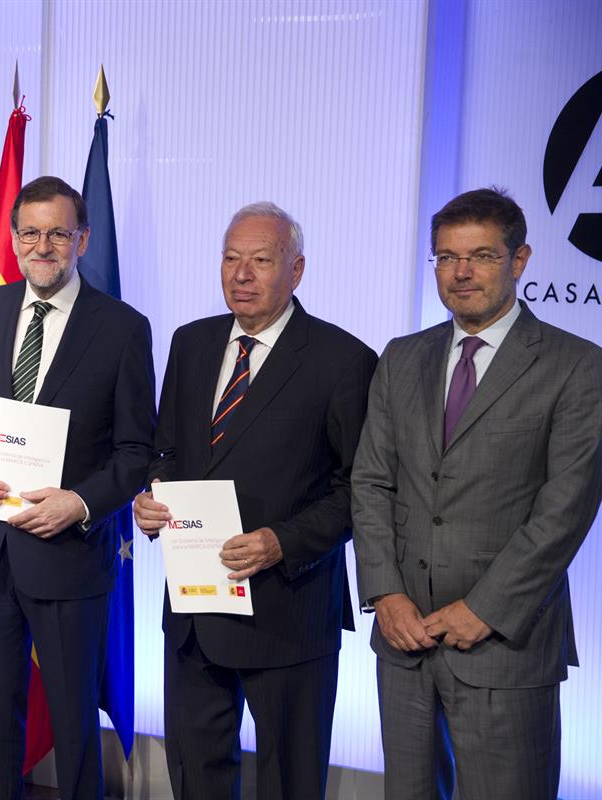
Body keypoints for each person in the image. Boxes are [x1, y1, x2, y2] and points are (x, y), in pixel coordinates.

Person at [352, 188, 602, 799]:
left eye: (482, 256)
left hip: (504, 647)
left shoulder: (577, 366)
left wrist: (483, 609)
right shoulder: (402, 357)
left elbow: (564, 512)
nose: (461, 272)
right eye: (445, 257)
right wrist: (385, 593)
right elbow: (372, 480)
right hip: (404, 641)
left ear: (519, 262)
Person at [133, 202, 377, 799]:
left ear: (296, 270)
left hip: (288, 608)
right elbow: (166, 450)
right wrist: (152, 497)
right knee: (195, 775)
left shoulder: (343, 360)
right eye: (230, 258)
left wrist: (281, 542)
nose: (241, 274)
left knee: (290, 782)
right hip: (195, 608)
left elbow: (360, 489)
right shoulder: (190, 343)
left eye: (260, 260)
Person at [0, 176, 156, 800]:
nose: (43, 245)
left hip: (70, 556)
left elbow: (136, 449)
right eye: (30, 232)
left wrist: (79, 503)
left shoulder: (121, 327)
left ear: (82, 239)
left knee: (75, 722)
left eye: (58, 233)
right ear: (13, 238)